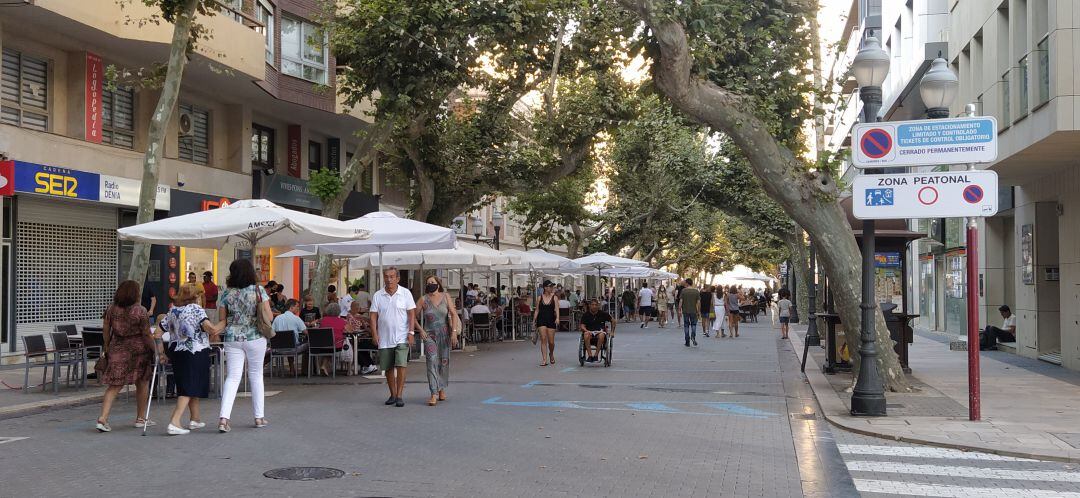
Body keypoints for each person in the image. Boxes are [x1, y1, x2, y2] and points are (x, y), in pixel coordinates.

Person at [159, 284, 224, 435]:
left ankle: (195, 419)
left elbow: (157, 333)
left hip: (176, 351)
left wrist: (161, 352)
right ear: (196, 296)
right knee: (190, 385)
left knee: (187, 382)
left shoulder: (172, 311)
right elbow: (210, 329)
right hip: (195, 351)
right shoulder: (196, 309)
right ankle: (175, 421)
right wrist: (223, 323)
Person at [217, 259, 272, 433]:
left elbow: (222, 319)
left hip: (232, 337)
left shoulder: (226, 293)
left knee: (232, 377)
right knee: (256, 375)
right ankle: (259, 417)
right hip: (255, 337)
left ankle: (224, 419)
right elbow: (268, 317)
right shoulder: (259, 290)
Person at [95, 281, 157, 433]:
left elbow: (105, 329)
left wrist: (107, 345)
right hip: (138, 350)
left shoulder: (111, 309)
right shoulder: (140, 311)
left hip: (117, 349)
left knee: (114, 385)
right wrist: (155, 349)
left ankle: (103, 418)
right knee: (142, 383)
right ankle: (141, 418)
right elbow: (146, 334)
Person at [370, 267, 417, 407]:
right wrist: (374, 333)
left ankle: (400, 395)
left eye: (391, 277)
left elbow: (411, 314)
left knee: (401, 364)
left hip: (402, 336)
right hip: (384, 337)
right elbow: (373, 316)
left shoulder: (405, 293)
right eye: (386, 277)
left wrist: (411, 332)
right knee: (388, 367)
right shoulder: (378, 295)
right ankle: (393, 394)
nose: (388, 279)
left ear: (397, 278)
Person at [416, 275, 461, 406]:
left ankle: (441, 388)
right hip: (430, 335)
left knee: (444, 362)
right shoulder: (423, 299)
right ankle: (433, 393)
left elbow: (453, 313)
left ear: (438, 284)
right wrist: (420, 329)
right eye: (428, 282)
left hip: (445, 333)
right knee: (431, 361)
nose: (430, 284)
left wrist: (453, 333)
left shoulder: (445, 296)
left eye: (432, 282)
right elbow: (412, 315)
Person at [272, 299, 310, 375]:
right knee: (308, 345)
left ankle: (292, 368)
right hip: (293, 349)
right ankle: (306, 371)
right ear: (291, 307)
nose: (298, 308)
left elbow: (272, 332)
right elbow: (306, 332)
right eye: (297, 306)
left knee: (289, 342)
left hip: (278, 349)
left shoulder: (277, 318)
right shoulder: (296, 318)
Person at [345, 301, 378, 374]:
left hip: (377, 342)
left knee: (357, 347)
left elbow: (373, 331)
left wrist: (365, 326)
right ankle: (370, 364)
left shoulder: (376, 320)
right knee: (360, 345)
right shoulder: (350, 316)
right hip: (378, 341)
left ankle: (367, 365)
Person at [533, 280, 559, 366]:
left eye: (552, 286)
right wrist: (534, 320)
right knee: (543, 339)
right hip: (541, 320)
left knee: (551, 342)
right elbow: (537, 310)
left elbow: (557, 309)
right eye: (550, 286)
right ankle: (544, 359)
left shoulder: (554, 297)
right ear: (545, 287)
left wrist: (558, 318)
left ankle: (551, 353)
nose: (552, 288)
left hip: (551, 319)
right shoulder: (539, 298)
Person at [318, 303, 348, 375]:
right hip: (337, 345)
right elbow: (348, 331)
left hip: (322, 345)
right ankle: (349, 369)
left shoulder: (322, 320)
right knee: (334, 345)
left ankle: (324, 366)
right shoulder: (342, 321)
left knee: (329, 346)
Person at [680, 278, 701, 347]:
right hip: (694, 311)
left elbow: (681, 301)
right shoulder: (696, 291)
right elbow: (698, 302)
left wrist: (679, 309)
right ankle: (693, 336)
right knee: (693, 324)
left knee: (686, 325)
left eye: (685, 282)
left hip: (685, 310)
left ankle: (687, 341)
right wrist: (698, 311)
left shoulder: (683, 291)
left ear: (687, 283)